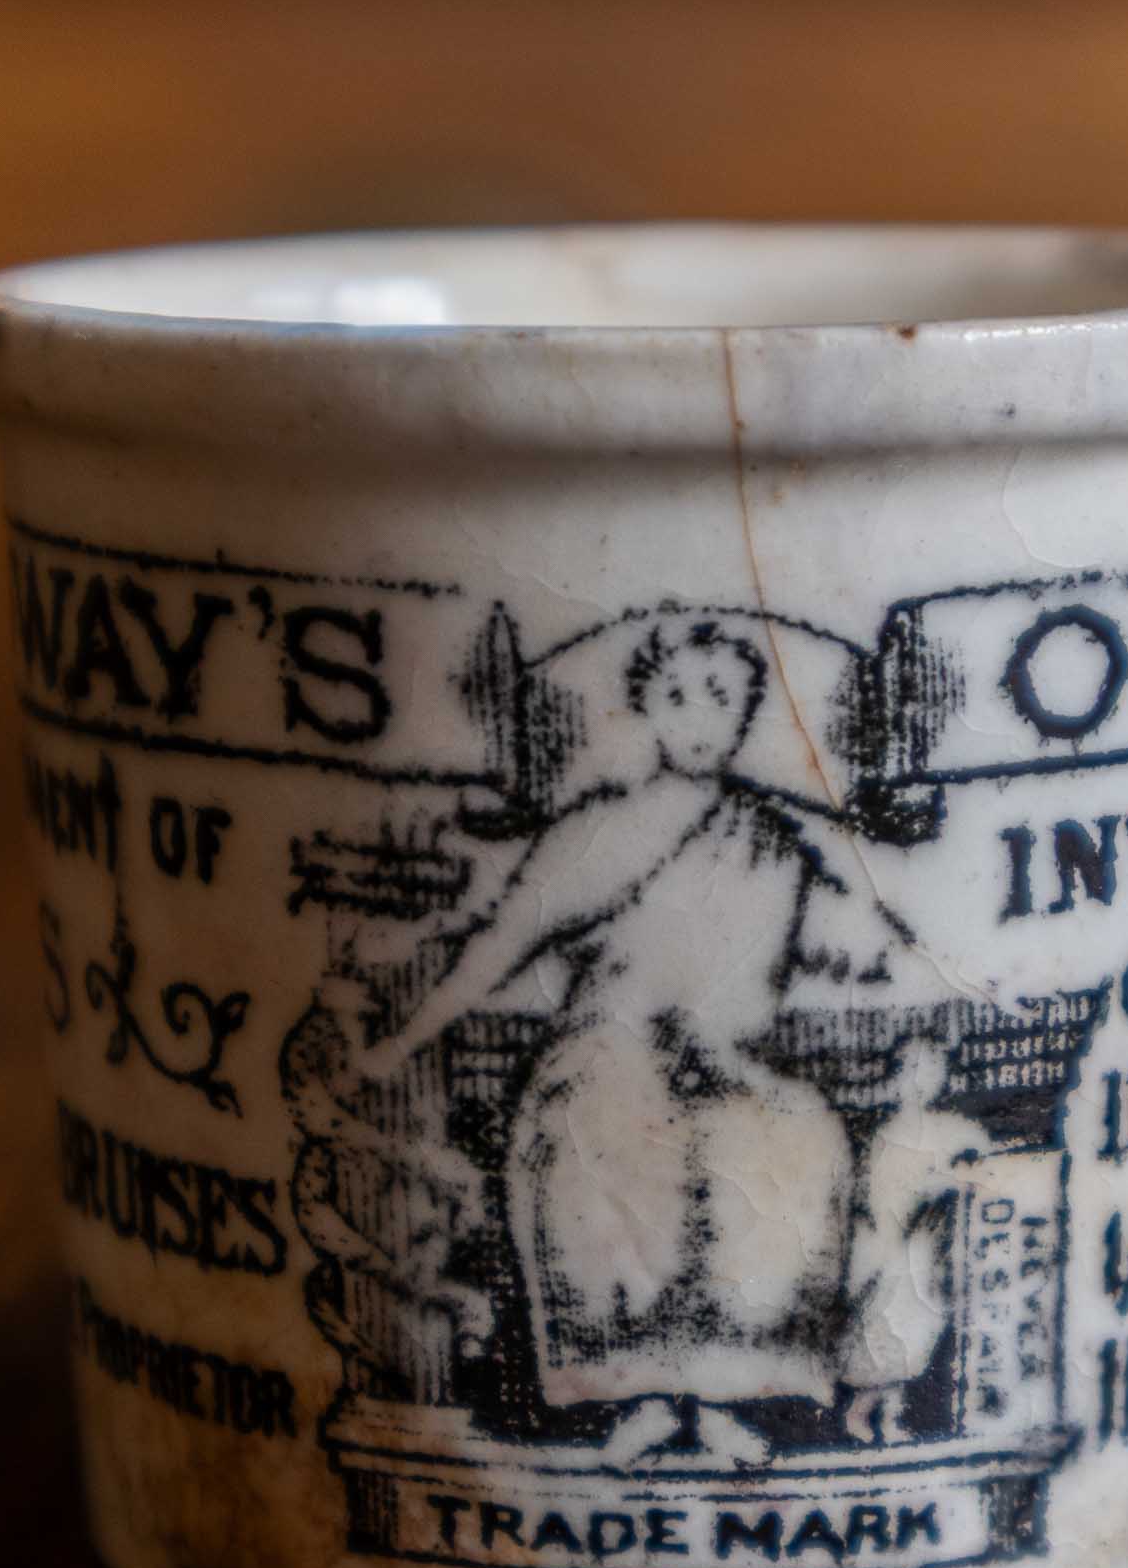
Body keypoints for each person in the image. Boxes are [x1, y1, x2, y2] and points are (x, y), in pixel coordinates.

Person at [331, 617, 931, 1464]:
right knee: (618, 1141)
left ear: (747, 711)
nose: (698, 716)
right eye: (678, 696)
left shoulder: (772, 837)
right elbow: (500, 946)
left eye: (719, 695)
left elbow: (857, 948)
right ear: (648, 709)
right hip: (608, 1053)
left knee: (798, 1139)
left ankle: (727, 1400)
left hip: (727, 1065)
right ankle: (635, 1400)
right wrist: (398, 1045)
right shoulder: (605, 830)